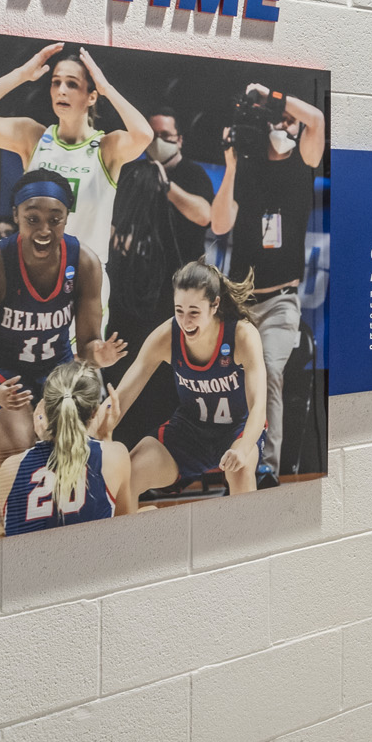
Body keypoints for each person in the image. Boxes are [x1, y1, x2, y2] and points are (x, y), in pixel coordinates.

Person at [0, 172, 126, 470]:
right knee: (25, 466)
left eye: (55, 219)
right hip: (2, 376)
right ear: (16, 215)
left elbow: (87, 344)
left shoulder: (85, 262)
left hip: (56, 373)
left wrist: (97, 354)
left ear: (66, 217)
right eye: (32, 219)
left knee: (76, 464)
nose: (44, 230)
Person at [0, 44, 153, 273]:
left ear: (91, 96)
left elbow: (144, 135)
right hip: (34, 273)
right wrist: (20, 75)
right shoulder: (33, 137)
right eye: (56, 82)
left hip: (84, 277)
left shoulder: (106, 148)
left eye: (72, 84)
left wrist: (107, 88)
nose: (61, 90)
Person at [209, 81, 325, 477]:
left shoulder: (303, 163)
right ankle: (229, 461)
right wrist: (231, 165)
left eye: (292, 123)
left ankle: (266, 470)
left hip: (280, 302)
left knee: (269, 373)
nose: (289, 128)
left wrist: (272, 97)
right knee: (230, 380)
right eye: (282, 122)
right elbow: (219, 223)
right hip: (241, 303)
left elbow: (318, 119)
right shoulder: (248, 164)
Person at [103, 104, 215, 442]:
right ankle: (117, 446)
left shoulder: (193, 174)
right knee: (124, 367)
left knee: (165, 380)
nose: (158, 142)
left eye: (165, 136)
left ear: (179, 139)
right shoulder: (131, 173)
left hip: (174, 300)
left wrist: (166, 187)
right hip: (130, 295)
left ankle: (161, 454)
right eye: (153, 136)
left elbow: (204, 215)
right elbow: (111, 221)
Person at [109, 262, 266, 497]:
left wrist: (243, 449)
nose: (185, 321)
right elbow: (121, 398)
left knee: (240, 472)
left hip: (238, 429)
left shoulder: (242, 335)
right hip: (189, 432)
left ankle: (249, 532)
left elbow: (259, 408)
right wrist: (87, 437)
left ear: (214, 305)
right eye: (179, 311)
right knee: (128, 476)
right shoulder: (165, 337)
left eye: (194, 312)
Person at [0, 362, 134, 542]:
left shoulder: (10, 467)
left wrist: (42, 440)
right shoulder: (115, 454)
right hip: (92, 566)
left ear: (44, 408)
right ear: (95, 412)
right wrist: (106, 436)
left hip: (30, 567)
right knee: (148, 514)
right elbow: (125, 525)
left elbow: (11, 529)